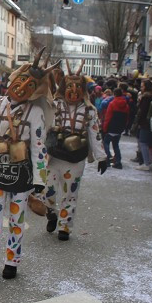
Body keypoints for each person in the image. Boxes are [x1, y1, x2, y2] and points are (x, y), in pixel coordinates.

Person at [0, 49, 54, 282]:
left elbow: (39, 146)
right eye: (20, 82)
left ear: (35, 92)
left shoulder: (35, 111)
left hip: (21, 174)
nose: (21, 88)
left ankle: (12, 261)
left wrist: (40, 181)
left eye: (29, 86)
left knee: (16, 218)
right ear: (13, 80)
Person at [43, 61, 109, 242]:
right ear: (64, 87)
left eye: (77, 86)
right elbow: (43, 127)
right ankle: (51, 212)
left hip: (76, 157)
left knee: (70, 193)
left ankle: (65, 226)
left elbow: (94, 133)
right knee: (47, 190)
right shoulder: (53, 105)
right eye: (69, 86)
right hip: (54, 156)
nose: (73, 91)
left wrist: (102, 156)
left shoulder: (89, 110)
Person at [101, 87, 129, 168]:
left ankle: (107, 158)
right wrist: (123, 127)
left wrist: (105, 127)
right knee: (116, 145)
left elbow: (108, 117)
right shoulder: (126, 105)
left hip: (111, 127)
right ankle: (118, 161)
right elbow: (127, 118)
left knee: (105, 143)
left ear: (114, 94)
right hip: (119, 128)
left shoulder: (112, 104)